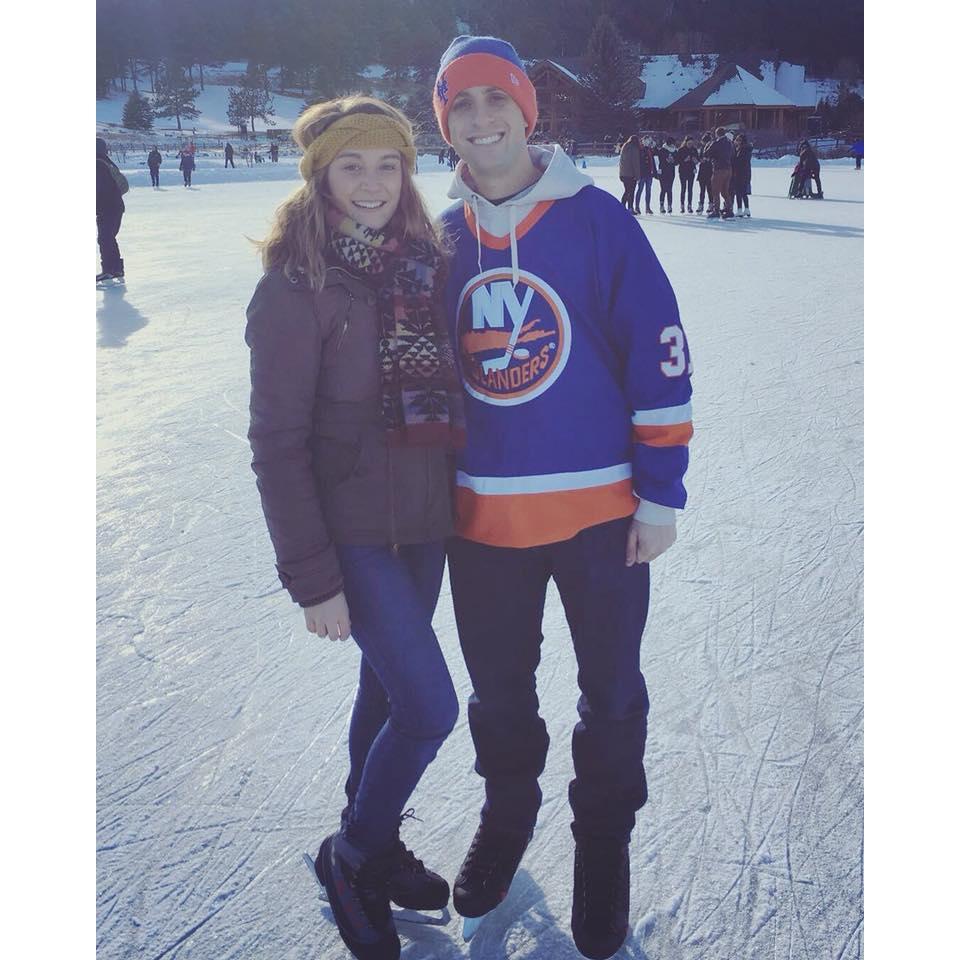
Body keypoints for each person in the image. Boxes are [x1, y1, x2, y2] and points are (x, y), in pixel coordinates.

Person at [432, 36, 693, 960]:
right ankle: (508, 811)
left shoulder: (596, 220)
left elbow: (660, 355)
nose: (481, 120)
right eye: (461, 106)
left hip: (600, 519)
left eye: (496, 100)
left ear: (527, 110)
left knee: (611, 692)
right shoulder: (442, 237)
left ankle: (602, 841)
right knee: (498, 693)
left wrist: (660, 493)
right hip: (482, 522)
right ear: (445, 125)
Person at [245, 94, 464, 960]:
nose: (372, 182)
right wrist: (315, 580)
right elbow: (276, 446)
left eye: (388, 164)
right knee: (430, 706)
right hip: (354, 537)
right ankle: (355, 853)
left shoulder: (424, 265)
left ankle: (368, 830)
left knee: (388, 691)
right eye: (352, 165)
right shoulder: (294, 290)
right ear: (320, 176)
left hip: (423, 525)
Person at [96, 137, 126, 282]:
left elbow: (100, 189)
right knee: (108, 238)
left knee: (104, 238)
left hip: (107, 208)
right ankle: (117, 269)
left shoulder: (97, 164)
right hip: (115, 207)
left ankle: (109, 269)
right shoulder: (107, 162)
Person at [705, 127, 734, 219]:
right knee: (725, 191)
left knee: (715, 190)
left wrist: (709, 144)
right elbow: (732, 154)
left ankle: (716, 210)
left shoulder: (716, 143)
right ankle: (729, 209)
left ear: (717, 134)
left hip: (719, 169)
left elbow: (706, 153)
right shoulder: (729, 143)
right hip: (728, 169)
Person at [617, 133, 641, 214]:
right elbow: (635, 163)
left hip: (623, 174)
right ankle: (629, 207)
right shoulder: (634, 149)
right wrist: (637, 176)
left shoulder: (624, 147)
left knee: (627, 190)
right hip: (631, 175)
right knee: (631, 191)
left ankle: (623, 206)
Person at [731, 133, 752, 218]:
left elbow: (738, 161)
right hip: (745, 173)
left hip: (740, 173)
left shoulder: (742, 150)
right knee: (743, 192)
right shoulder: (746, 149)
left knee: (738, 192)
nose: (736, 141)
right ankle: (746, 209)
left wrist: (733, 160)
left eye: (738, 140)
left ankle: (740, 209)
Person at [676, 135, 698, 213]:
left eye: (691, 143)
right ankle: (682, 205)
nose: (690, 145)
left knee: (690, 189)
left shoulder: (694, 150)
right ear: (685, 142)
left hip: (691, 171)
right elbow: (677, 161)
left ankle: (689, 205)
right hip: (683, 171)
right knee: (683, 188)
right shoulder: (681, 150)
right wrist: (684, 160)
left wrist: (695, 161)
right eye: (689, 143)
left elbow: (697, 160)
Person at [656, 136, 678, 213]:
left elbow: (677, 161)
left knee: (669, 189)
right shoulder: (662, 150)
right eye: (672, 143)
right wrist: (666, 160)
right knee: (663, 189)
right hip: (662, 172)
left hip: (671, 172)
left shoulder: (675, 151)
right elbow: (660, 160)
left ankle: (669, 206)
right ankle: (662, 205)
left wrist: (673, 161)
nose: (673, 145)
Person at [695, 131, 713, 213]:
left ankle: (711, 204)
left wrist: (708, 160)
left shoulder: (712, 148)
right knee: (702, 190)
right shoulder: (702, 148)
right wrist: (700, 160)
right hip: (702, 171)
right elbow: (699, 157)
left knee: (710, 189)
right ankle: (701, 204)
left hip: (709, 171)